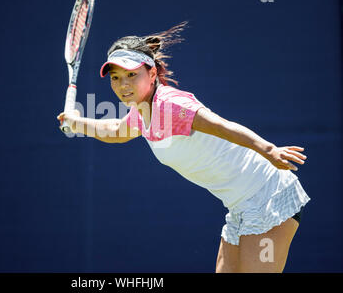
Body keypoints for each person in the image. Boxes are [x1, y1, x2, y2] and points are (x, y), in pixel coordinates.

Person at [56, 22, 310, 273]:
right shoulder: (142, 111)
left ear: (152, 74)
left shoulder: (170, 105)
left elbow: (222, 126)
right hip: (240, 206)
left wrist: (269, 150)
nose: (123, 85)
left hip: (268, 196)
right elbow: (116, 132)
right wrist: (76, 122)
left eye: (132, 75)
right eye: (116, 78)